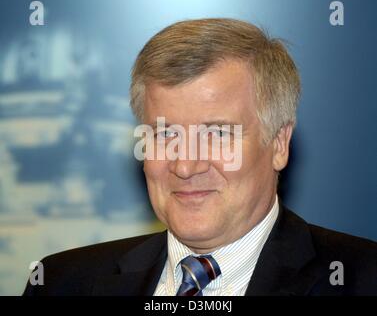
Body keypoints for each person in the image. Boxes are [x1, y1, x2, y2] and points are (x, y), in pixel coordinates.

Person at [23, 18, 376, 296]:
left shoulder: (362, 279)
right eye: (165, 134)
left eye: (217, 134)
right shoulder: (60, 283)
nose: (185, 166)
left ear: (279, 143)